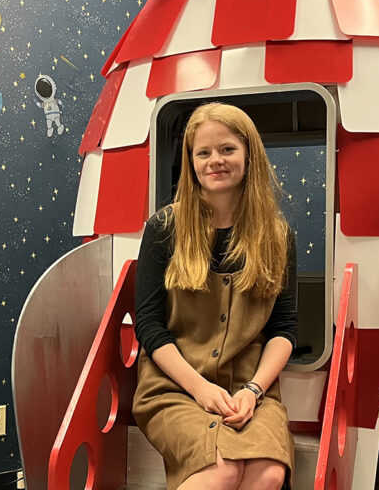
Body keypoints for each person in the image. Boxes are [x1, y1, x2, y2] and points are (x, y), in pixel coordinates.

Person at [133, 102, 297, 490]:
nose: (215, 161)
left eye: (227, 149)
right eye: (203, 153)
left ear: (248, 154)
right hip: (174, 384)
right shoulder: (164, 227)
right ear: (190, 162)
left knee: (269, 472)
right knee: (220, 471)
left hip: (248, 386)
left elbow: (284, 329)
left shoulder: (277, 235)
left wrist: (254, 391)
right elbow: (150, 326)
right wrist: (201, 388)